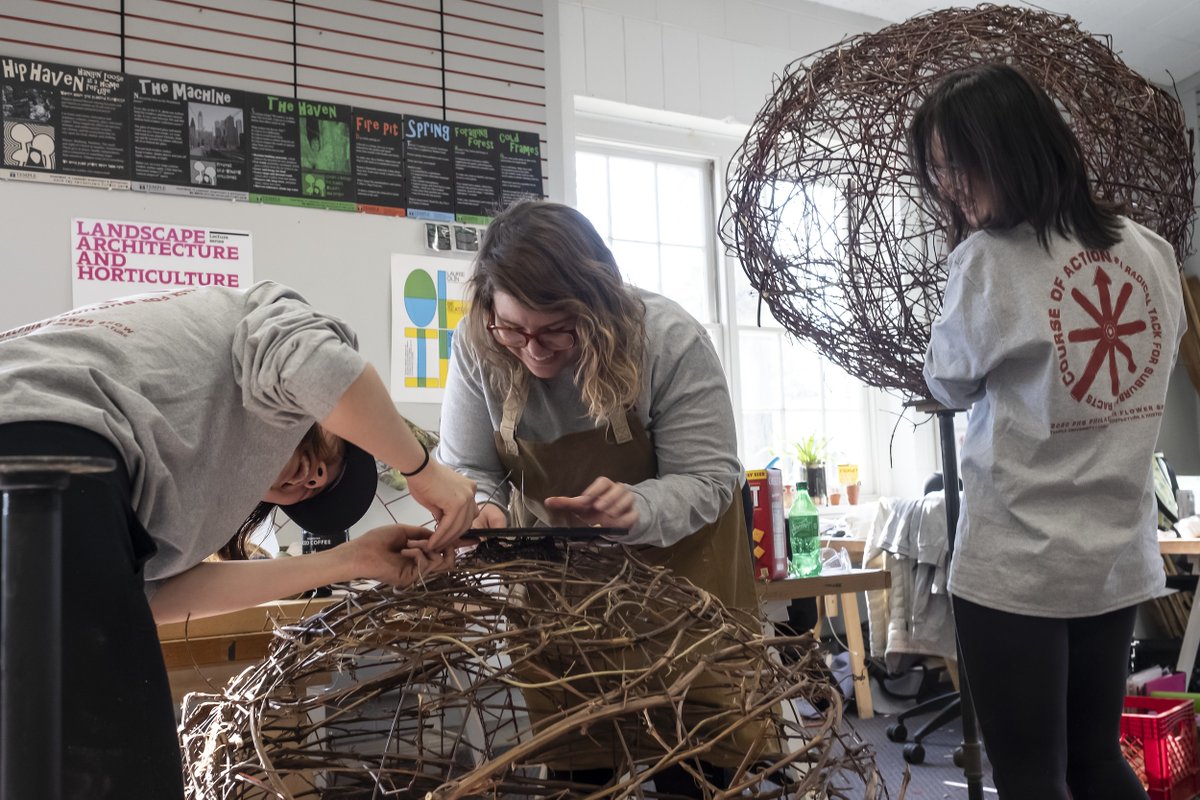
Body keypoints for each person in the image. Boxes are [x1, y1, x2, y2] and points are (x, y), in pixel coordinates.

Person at [0, 281, 477, 800]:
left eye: (319, 490)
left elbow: (147, 598)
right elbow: (319, 366)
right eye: (334, 456)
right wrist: (423, 468)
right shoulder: (262, 314)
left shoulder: (183, 470)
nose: (316, 477)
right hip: (44, 454)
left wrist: (351, 560)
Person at [914, 62, 1185, 799]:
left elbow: (946, 381)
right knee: (1097, 760)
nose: (948, 186)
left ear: (1015, 148)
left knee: (1032, 776)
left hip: (1017, 564)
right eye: (937, 170)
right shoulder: (1150, 250)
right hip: (1115, 553)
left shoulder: (989, 263)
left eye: (959, 164)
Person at [433, 199, 759, 796]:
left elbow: (711, 477)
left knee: (698, 772)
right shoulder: (479, 343)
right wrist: (485, 508)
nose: (533, 351)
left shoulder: (666, 339)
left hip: (684, 606)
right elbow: (469, 465)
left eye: (557, 329)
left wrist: (637, 509)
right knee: (579, 778)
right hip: (562, 609)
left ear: (598, 302)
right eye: (514, 329)